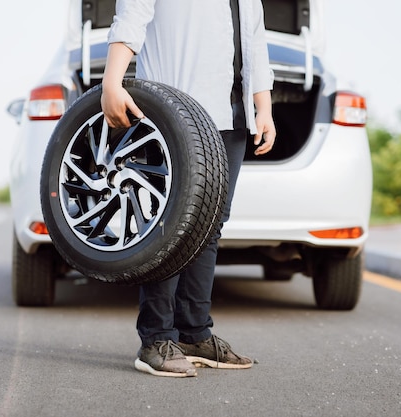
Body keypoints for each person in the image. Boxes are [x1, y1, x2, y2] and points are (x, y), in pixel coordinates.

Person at [101, 0, 276, 377]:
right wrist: (111, 82)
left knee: (210, 224)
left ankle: (194, 333)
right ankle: (156, 338)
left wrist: (264, 107)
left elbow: (255, 43)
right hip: (176, 111)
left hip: (231, 117)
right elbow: (131, 17)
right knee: (169, 223)